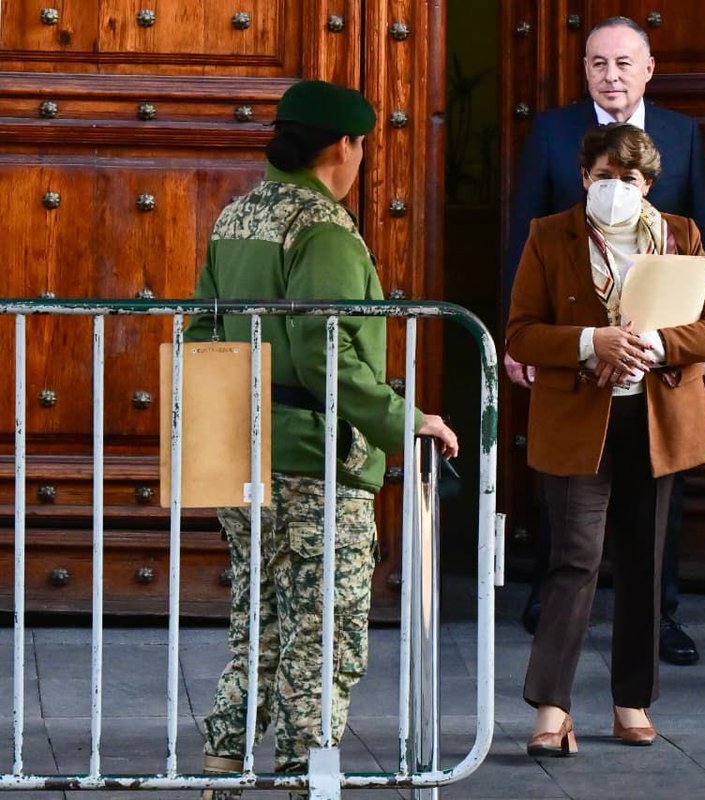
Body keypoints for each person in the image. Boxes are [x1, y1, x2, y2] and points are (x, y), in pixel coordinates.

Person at [184, 80, 458, 800]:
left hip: (244, 456)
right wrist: (407, 421)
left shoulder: (238, 216)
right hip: (317, 461)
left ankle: (225, 763)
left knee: (258, 623)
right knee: (324, 634)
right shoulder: (323, 229)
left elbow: (201, 332)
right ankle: (311, 777)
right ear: (345, 145)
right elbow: (326, 354)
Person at [508, 124, 705, 755]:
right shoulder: (549, 235)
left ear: (647, 185)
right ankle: (551, 707)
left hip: (655, 422)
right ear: (584, 178)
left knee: (644, 561)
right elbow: (522, 332)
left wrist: (656, 344)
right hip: (580, 422)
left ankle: (631, 700)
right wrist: (591, 342)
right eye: (602, 177)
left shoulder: (680, 235)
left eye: (626, 179)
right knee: (574, 559)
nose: (614, 188)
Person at [505, 14, 705, 666]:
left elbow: (698, 237)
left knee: (657, 494)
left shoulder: (681, 134)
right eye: (599, 62)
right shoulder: (554, 131)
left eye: (624, 62)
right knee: (568, 473)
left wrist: (687, 342)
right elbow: (526, 235)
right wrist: (519, 343)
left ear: (647, 69)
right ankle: (553, 599)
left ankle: (662, 616)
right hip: (577, 337)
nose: (611, 74)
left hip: (659, 352)